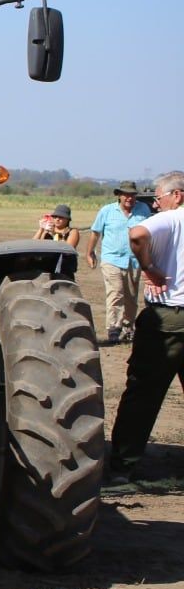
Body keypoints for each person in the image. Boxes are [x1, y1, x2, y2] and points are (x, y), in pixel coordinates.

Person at [105, 171, 184, 485]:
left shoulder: (173, 218)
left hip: (169, 317)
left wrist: (149, 268)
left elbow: (137, 235)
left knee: (143, 393)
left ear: (177, 195)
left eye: (160, 197)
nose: (157, 203)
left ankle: (124, 466)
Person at [87, 181, 154, 344]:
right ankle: (113, 328)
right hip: (112, 258)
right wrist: (89, 252)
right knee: (115, 292)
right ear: (119, 195)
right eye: (125, 194)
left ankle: (127, 327)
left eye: (132, 195)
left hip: (134, 260)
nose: (129, 198)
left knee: (131, 296)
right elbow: (95, 232)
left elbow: (149, 234)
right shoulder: (107, 211)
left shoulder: (143, 210)